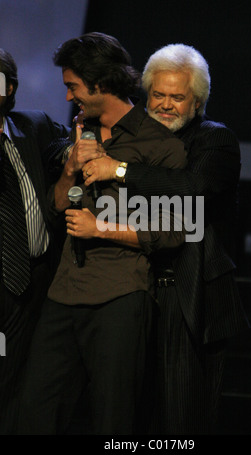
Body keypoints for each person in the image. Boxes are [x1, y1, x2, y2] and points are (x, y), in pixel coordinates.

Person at [17, 33, 186, 435]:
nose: (68, 97)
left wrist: (101, 228)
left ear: (102, 84)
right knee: (33, 412)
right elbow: (57, 206)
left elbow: (175, 232)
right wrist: (71, 168)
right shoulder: (80, 132)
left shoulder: (161, 146)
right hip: (63, 293)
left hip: (119, 298)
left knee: (114, 418)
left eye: (73, 87)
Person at [80, 43, 250, 434]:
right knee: (129, 414)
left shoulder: (214, 140)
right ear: (146, 93)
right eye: (159, 94)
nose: (166, 104)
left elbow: (194, 187)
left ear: (197, 102)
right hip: (131, 289)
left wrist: (118, 170)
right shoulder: (133, 136)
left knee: (180, 418)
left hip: (186, 297)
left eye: (178, 97)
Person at [0, 49, 69, 435]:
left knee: (29, 392)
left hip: (38, 281)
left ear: (10, 90)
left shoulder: (35, 125)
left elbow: (69, 144)